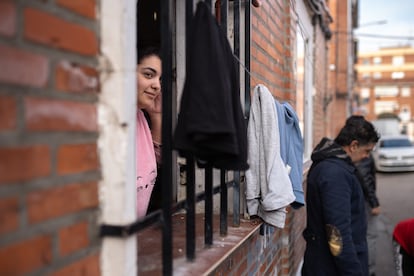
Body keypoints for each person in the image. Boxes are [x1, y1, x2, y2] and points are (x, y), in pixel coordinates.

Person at [302, 115, 380, 275]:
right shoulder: (334, 173)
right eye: (367, 151)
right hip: (331, 268)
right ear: (353, 145)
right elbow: (337, 233)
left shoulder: (334, 166)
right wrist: (353, 272)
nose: (367, 156)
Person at [136, 46, 162, 218]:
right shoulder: (111, 120)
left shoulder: (140, 116)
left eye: (159, 79)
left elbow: (153, 162)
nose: (157, 86)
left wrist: (156, 116)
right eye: (148, 75)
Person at [356, 153, 381, 276]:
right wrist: (374, 202)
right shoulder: (362, 153)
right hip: (364, 199)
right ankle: (369, 271)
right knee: (370, 235)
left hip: (358, 198)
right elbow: (365, 176)